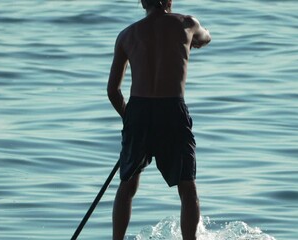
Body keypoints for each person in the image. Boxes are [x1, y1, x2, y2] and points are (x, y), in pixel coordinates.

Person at [107, 0, 210, 239]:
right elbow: (206, 38)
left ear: (143, 2)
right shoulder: (186, 23)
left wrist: (129, 118)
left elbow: (113, 91)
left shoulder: (126, 35)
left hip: (139, 110)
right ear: (169, 1)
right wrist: (193, 40)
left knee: (127, 184)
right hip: (171, 109)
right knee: (187, 186)